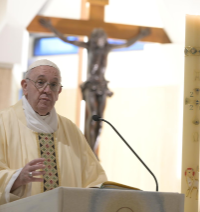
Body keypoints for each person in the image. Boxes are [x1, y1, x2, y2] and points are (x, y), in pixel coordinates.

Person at [0, 59, 107, 212]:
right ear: (25, 86)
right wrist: (16, 178)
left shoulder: (71, 131)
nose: (47, 90)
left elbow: (95, 180)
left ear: (58, 92)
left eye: (53, 85)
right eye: (40, 82)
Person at [40, 18, 150, 154]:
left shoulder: (108, 48)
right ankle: (89, 149)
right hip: (91, 85)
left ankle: (93, 150)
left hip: (102, 86)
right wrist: (51, 27)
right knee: (93, 115)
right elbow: (67, 40)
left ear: (104, 38)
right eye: (96, 37)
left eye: (101, 37)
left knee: (101, 119)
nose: (99, 39)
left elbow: (127, 44)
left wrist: (141, 35)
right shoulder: (89, 47)